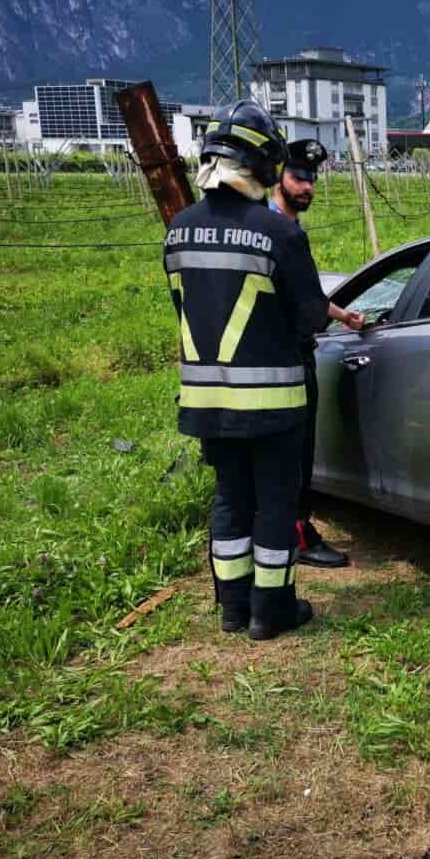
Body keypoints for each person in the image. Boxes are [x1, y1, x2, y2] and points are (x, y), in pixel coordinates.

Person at [164, 99, 330, 641]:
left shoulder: (178, 231)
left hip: (207, 402)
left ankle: (232, 609)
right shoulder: (278, 234)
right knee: (275, 506)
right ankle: (271, 612)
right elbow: (309, 317)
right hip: (272, 404)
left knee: (230, 501)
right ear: (263, 165)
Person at [269, 139, 364, 569]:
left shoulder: (273, 225)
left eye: (312, 179)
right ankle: (297, 535)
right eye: (298, 177)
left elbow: (305, 294)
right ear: (277, 177)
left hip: (269, 357)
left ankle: (280, 531)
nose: (306, 187)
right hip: (285, 356)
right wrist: (322, 317)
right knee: (294, 452)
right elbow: (305, 305)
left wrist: (342, 314)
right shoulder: (280, 231)